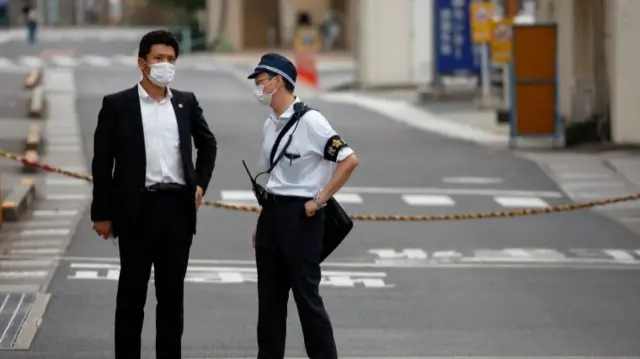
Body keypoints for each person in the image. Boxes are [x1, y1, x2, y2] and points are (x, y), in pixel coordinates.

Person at [90, 30, 217, 359]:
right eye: (158, 59)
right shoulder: (118, 105)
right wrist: (101, 213)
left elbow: (208, 144)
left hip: (177, 209)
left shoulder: (185, 102)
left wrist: (200, 183)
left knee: (172, 298)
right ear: (142, 63)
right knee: (131, 297)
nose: (165, 65)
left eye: (171, 60)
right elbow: (102, 163)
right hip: (136, 210)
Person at [247, 53, 359, 359]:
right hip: (273, 215)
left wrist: (320, 200)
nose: (258, 88)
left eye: (261, 81)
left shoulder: (312, 122)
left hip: (302, 217)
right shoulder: (270, 123)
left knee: (306, 298)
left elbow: (348, 160)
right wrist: (262, 223)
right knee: (269, 303)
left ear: (278, 81)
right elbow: (275, 178)